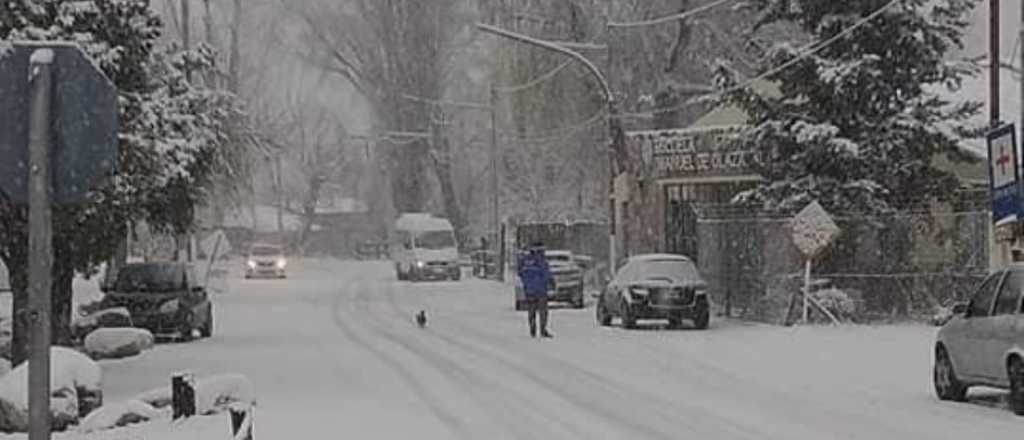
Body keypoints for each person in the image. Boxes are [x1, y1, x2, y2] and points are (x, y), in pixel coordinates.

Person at [518, 241, 553, 338]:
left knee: (531, 309)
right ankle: (543, 329)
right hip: (541, 289)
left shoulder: (526, 260)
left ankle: (532, 328)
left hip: (529, 290)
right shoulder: (541, 260)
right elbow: (546, 273)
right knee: (543, 310)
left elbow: (521, 272)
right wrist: (550, 282)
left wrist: (526, 283)